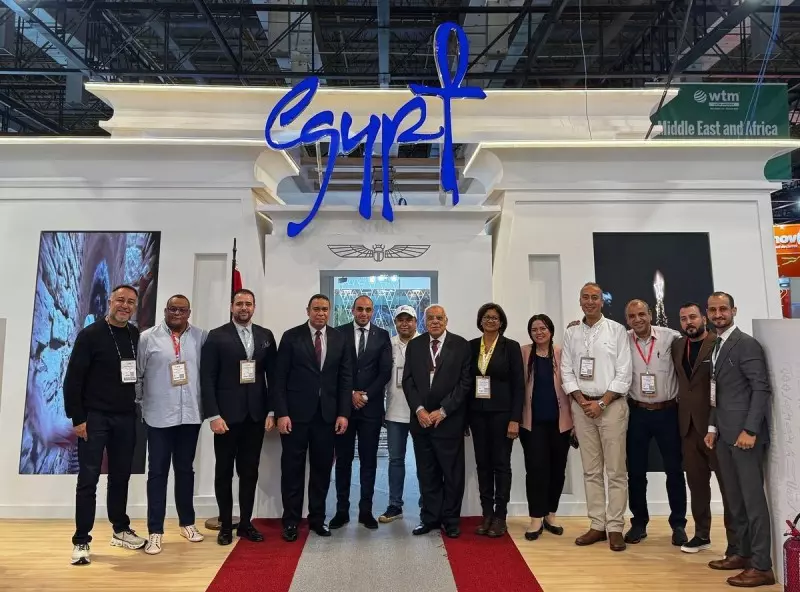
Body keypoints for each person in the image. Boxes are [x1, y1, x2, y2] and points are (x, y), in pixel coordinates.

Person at [64, 284, 147, 565]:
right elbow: (73, 380)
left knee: (120, 476)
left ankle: (120, 529)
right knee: (88, 480)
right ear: (110, 301)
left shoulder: (134, 335)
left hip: (125, 417)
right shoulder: (90, 335)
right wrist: (78, 419)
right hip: (95, 418)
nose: (125, 305)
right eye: (120, 300)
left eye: (131, 302)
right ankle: (81, 540)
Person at [704, 292, 775, 587]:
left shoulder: (746, 344)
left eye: (723, 309)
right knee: (734, 500)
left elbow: (761, 389)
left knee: (753, 502)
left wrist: (751, 430)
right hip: (723, 435)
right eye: (713, 310)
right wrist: (712, 427)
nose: (718, 314)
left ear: (734, 311)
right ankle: (741, 553)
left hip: (745, 437)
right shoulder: (716, 344)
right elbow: (716, 392)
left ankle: (762, 566)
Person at [272, 294, 352, 542]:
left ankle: (317, 519)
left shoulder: (339, 338)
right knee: (292, 470)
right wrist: (281, 413)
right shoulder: (291, 336)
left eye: (325, 309)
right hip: (295, 417)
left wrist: (343, 413)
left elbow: (345, 378)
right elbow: (278, 378)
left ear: (330, 311)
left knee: (321, 470)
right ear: (307, 310)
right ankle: (291, 521)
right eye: (316, 309)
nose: (320, 313)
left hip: (326, 417)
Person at [200, 288, 277, 546]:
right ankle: (225, 524)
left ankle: (245, 523)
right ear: (232, 306)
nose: (244, 308)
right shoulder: (216, 336)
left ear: (254, 307)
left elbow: (274, 377)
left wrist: (271, 411)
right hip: (226, 418)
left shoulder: (265, 336)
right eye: (240, 303)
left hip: (255, 417)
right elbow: (207, 378)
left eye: (248, 304)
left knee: (249, 472)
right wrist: (213, 414)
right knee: (223, 472)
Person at [560, 282, 632, 552]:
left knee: (615, 471)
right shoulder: (572, 333)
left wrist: (601, 403)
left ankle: (615, 527)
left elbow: (624, 372)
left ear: (602, 301)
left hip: (611, 406)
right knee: (591, 471)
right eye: (585, 297)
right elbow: (566, 370)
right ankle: (597, 525)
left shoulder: (617, 330)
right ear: (580, 302)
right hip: (582, 407)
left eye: (594, 297)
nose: (590, 302)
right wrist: (582, 401)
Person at [136, 295, 207, 554]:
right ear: (165, 311)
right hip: (159, 416)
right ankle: (155, 531)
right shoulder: (147, 338)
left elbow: (207, 373)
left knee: (185, 471)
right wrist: (142, 405)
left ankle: (187, 523)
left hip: (190, 415)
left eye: (182, 310)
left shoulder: (201, 337)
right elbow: (138, 375)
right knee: (157, 473)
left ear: (189, 312)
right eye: (172, 309)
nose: (177, 313)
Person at [671, 302, 737, 555]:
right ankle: (701, 535)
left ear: (704, 318)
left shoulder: (718, 344)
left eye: (693, 317)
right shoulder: (677, 345)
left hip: (715, 428)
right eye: (683, 318)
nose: (689, 322)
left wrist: (716, 424)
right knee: (697, 486)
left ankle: (735, 543)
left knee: (728, 487)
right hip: (687, 428)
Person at [402, 304, 471, 538]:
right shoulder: (415, 345)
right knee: (427, 473)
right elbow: (408, 381)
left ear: (446, 320)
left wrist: (443, 410)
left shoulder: (460, 345)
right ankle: (430, 518)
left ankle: (450, 520)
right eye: (430, 317)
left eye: (439, 318)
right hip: (421, 422)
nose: (435, 321)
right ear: (424, 321)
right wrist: (419, 410)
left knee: (452, 474)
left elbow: (465, 383)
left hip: (448, 421)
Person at [622, 300, 687, 547]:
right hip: (637, 412)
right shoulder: (622, 339)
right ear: (627, 320)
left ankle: (678, 524)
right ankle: (639, 523)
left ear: (650, 314)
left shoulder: (670, 337)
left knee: (674, 470)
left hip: (667, 412)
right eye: (632, 316)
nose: (637, 319)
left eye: (641, 314)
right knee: (636, 472)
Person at [331, 295, 392, 530]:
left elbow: (385, 372)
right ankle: (342, 511)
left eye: (368, 309)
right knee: (343, 461)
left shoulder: (382, 335)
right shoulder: (338, 333)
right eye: (360, 309)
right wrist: (350, 394)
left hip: (370, 408)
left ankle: (366, 511)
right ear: (352, 310)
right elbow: (333, 370)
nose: (363, 313)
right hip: (343, 410)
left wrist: (364, 395)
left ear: (372, 312)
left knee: (369, 461)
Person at [468, 303, 524, 538]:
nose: (490, 320)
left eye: (495, 317)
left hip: (502, 415)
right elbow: (465, 382)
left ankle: (500, 516)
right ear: (480, 320)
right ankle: (487, 514)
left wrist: (515, 419)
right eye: (486, 317)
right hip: (477, 414)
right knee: (483, 465)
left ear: (501, 322)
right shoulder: (471, 346)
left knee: (501, 465)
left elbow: (519, 386)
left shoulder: (511, 347)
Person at [519, 314, 574, 541]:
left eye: (543, 328)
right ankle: (535, 517)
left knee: (557, 471)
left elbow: (572, 386)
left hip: (560, 424)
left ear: (550, 330)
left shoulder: (562, 353)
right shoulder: (524, 353)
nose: (539, 332)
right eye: (534, 329)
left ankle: (551, 514)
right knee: (535, 471)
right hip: (532, 425)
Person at [379, 305, 420, 523]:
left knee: (424, 461)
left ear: (416, 322)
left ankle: (427, 505)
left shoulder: (424, 343)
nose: (405, 323)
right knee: (395, 460)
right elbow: (381, 377)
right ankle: (395, 505)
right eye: (400, 320)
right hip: (395, 412)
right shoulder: (388, 345)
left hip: (421, 412)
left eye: (409, 319)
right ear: (395, 322)